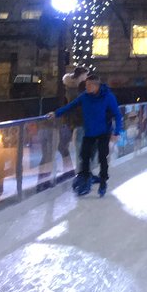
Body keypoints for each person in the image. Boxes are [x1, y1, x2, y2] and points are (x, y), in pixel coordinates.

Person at [51, 68, 123, 197]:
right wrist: (56, 113)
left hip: (103, 133)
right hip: (89, 133)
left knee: (102, 158)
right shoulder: (84, 96)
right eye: (86, 85)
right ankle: (85, 181)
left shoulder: (107, 97)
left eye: (89, 85)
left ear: (96, 86)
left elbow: (117, 115)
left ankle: (103, 182)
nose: (86, 87)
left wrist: (116, 132)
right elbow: (70, 106)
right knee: (84, 158)